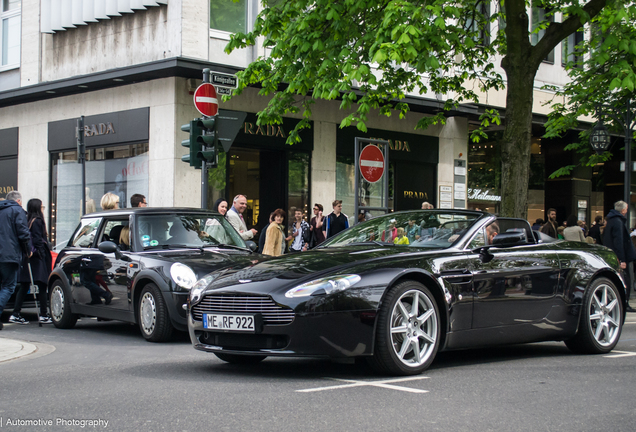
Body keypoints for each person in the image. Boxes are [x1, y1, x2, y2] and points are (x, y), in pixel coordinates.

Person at [10, 199, 54, 325]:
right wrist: (41, 253)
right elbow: (37, 239)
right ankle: (44, 314)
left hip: (28, 255)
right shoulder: (38, 221)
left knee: (25, 285)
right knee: (42, 285)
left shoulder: (28, 220)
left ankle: (16, 313)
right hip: (38, 257)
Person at [0, 191, 32, 331]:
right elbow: (23, 232)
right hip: (9, 254)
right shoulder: (17, 211)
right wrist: (27, 249)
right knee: (9, 286)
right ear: (18, 201)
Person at [603, 200, 636, 312]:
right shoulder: (618, 222)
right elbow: (619, 241)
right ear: (623, 210)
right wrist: (622, 259)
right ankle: (625, 303)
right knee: (626, 279)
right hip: (619, 257)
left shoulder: (611, 221)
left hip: (612, 255)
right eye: (626, 209)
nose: (626, 211)